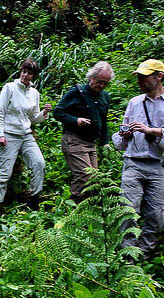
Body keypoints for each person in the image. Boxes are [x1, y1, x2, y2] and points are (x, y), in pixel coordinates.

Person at [113, 59, 164, 260]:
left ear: (159, 77)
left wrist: (152, 131)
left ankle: (145, 255)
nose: (140, 80)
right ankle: (127, 257)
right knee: (128, 210)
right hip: (133, 162)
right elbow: (123, 128)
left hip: (159, 165)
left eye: (144, 77)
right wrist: (124, 133)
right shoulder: (135, 102)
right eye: (138, 76)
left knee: (156, 215)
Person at [0, 58, 51, 211]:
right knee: (5, 172)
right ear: (20, 72)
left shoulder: (34, 93)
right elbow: (0, 113)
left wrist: (44, 112)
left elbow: (34, 118)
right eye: (24, 71)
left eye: (29, 73)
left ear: (34, 76)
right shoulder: (9, 88)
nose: (25, 75)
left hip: (26, 135)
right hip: (9, 134)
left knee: (39, 163)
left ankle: (34, 200)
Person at [53, 61, 114, 203]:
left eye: (106, 83)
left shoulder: (105, 96)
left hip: (91, 142)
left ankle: (88, 211)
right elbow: (57, 112)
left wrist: (105, 142)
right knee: (84, 175)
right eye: (99, 82)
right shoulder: (77, 92)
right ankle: (74, 209)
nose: (102, 85)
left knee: (94, 179)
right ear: (91, 77)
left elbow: (103, 121)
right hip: (74, 139)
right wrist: (76, 120)